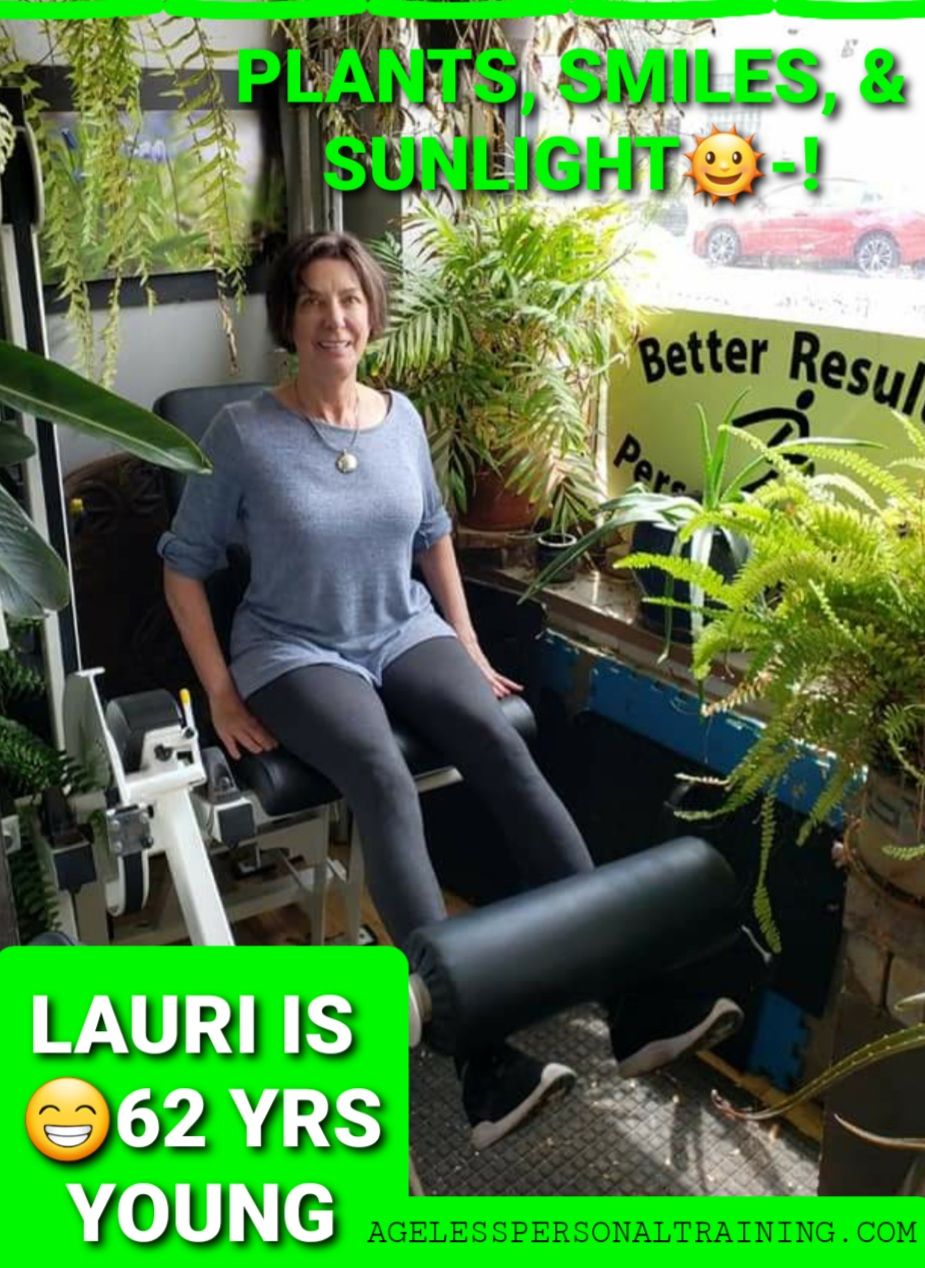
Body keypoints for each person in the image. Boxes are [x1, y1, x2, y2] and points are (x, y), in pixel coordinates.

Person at [159, 230, 750, 1151]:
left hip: (401, 628)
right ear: (288, 320)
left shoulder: (399, 419)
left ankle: (630, 1001)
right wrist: (222, 695)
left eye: (348, 299)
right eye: (312, 300)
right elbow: (183, 567)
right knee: (381, 776)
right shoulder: (242, 433)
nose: (332, 317)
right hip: (294, 650)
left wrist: (464, 643)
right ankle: (481, 1061)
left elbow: (433, 532)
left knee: (500, 744)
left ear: (371, 314)